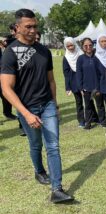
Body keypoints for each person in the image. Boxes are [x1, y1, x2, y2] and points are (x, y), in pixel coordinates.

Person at [0, 9, 74, 203]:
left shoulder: (44, 51)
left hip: (47, 105)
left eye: (35, 26)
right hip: (27, 108)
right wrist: (25, 114)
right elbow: (6, 89)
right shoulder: (10, 53)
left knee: (53, 146)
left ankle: (56, 189)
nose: (33, 30)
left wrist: (55, 105)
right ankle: (39, 171)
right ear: (17, 28)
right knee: (35, 144)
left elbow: (51, 80)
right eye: (28, 27)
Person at [76, 37, 106, 129]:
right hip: (86, 87)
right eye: (86, 45)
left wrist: (100, 86)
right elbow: (79, 73)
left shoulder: (97, 57)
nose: (88, 47)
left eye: (90, 45)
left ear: (93, 46)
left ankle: (103, 122)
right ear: (82, 47)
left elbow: (102, 73)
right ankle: (88, 124)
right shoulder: (80, 59)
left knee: (100, 106)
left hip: (97, 87)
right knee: (88, 107)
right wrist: (81, 88)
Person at [63, 37, 85, 127]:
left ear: (74, 44)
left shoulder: (81, 54)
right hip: (74, 83)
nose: (70, 47)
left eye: (71, 45)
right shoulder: (66, 58)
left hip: (84, 81)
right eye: (68, 46)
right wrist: (68, 87)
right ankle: (81, 121)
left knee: (89, 101)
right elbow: (66, 73)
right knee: (79, 102)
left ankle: (94, 118)